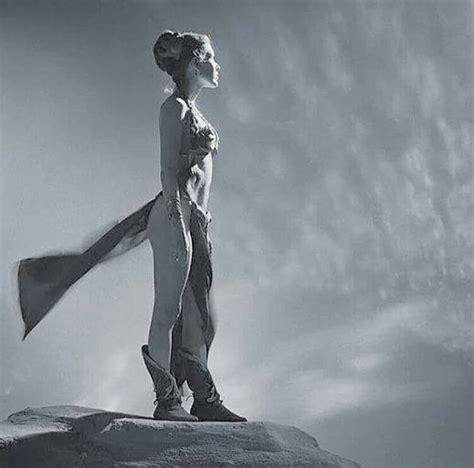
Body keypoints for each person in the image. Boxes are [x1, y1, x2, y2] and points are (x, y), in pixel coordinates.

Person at [17, 30, 247, 423]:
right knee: (170, 309)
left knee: (202, 317)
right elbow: (166, 168)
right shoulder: (173, 108)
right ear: (194, 62)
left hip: (197, 220)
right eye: (210, 56)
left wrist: (198, 223)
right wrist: (176, 215)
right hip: (176, 213)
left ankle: (204, 400)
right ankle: (167, 400)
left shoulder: (195, 112)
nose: (216, 64)